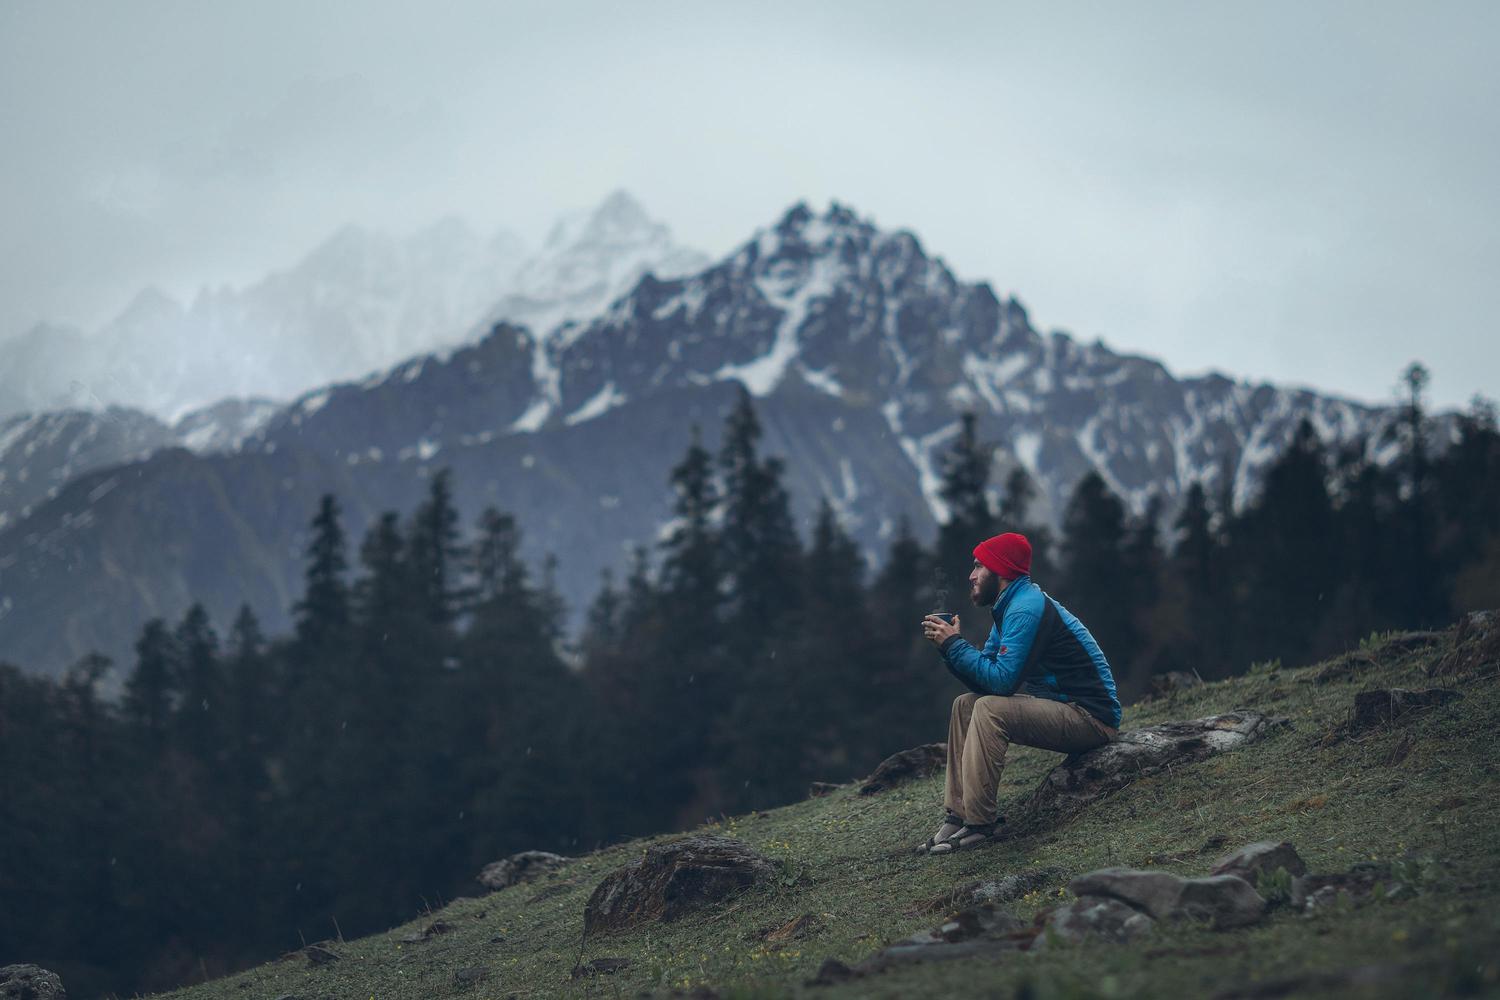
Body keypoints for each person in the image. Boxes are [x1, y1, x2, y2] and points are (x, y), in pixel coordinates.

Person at [917, 531, 1121, 853]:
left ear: (1001, 570)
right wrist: (949, 648)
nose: (971, 575)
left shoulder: (1025, 609)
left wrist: (955, 645)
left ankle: (981, 825)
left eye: (979, 566)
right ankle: (958, 816)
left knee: (989, 709)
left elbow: (1002, 684)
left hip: (1091, 718)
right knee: (966, 705)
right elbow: (985, 680)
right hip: (1061, 707)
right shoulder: (1008, 607)